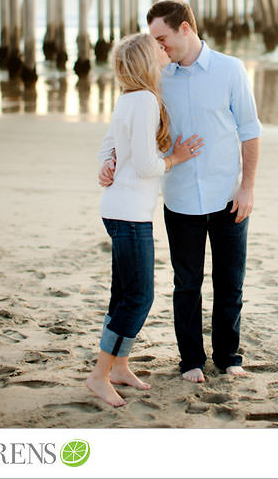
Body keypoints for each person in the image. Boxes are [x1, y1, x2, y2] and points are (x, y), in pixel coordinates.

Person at [99, 0, 262, 383]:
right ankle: (190, 360)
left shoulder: (230, 70)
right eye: (154, 40)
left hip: (227, 195)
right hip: (179, 198)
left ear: (185, 29)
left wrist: (247, 187)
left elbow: (250, 130)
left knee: (230, 282)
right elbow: (122, 124)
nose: (159, 46)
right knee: (186, 284)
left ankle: (228, 356)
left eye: (163, 38)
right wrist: (107, 159)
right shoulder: (157, 77)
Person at [86, 33, 204, 407]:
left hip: (121, 209)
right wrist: (178, 157)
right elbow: (146, 165)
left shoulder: (130, 99)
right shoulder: (146, 101)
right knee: (139, 297)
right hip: (128, 213)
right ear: (146, 61)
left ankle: (118, 367)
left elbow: (110, 144)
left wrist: (107, 163)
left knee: (124, 294)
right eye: (156, 47)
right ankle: (99, 375)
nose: (163, 48)